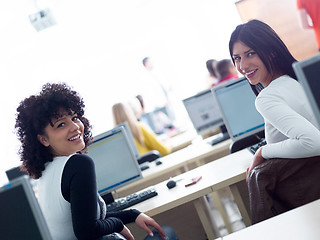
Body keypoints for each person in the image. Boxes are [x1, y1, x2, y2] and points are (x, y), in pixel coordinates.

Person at [15, 83, 178, 240]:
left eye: (75, 117)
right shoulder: (78, 164)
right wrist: (118, 224)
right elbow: (86, 231)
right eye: (61, 124)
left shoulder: (46, 173)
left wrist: (132, 215)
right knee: (167, 232)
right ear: (43, 139)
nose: (75, 127)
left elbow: (82, 219)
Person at [229, 19, 320, 223]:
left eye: (250, 53)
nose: (243, 65)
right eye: (237, 58)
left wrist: (262, 151)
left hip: (307, 202)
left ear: (270, 51)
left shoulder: (267, 97)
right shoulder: (296, 80)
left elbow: (313, 142)